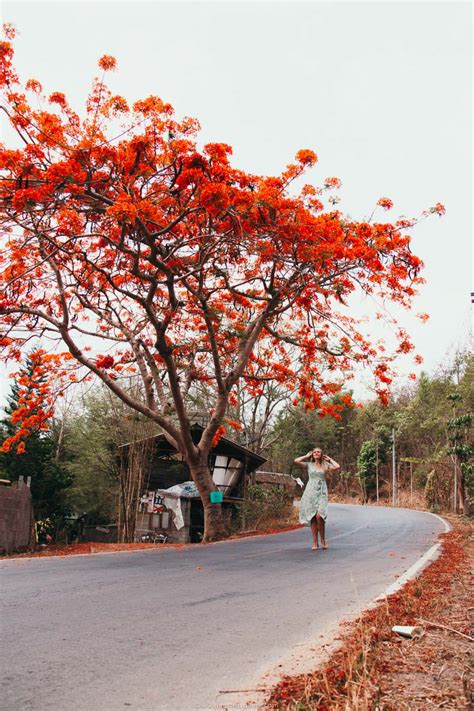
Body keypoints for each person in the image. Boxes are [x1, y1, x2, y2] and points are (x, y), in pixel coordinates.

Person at [294, 448, 340, 550]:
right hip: (310, 491)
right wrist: (306, 456)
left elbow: (337, 466)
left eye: (318, 452)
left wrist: (330, 459)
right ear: (312, 454)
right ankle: (315, 542)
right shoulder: (309, 465)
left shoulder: (325, 465)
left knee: (320, 516)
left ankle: (323, 539)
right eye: (314, 452)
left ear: (321, 454)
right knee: (313, 517)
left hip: (322, 492)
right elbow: (296, 461)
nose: (316, 453)